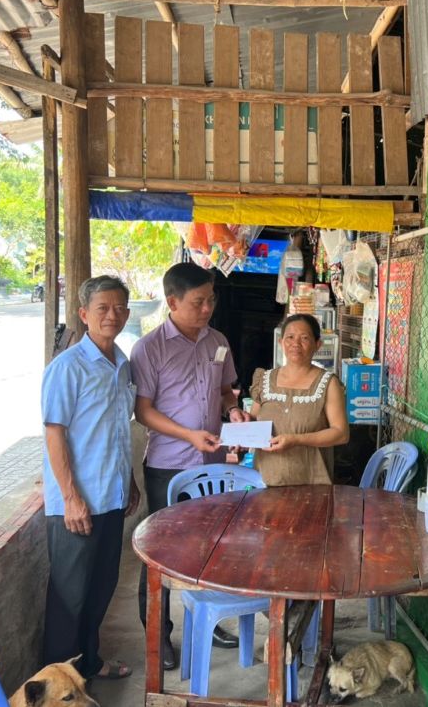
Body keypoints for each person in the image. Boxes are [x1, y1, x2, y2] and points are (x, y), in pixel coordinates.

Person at [130, 262, 251, 667]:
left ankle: (206, 617)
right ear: (172, 301)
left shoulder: (218, 340)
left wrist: (233, 411)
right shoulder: (149, 348)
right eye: (198, 302)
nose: (207, 309)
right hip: (169, 465)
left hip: (211, 461)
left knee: (209, 546)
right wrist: (188, 435)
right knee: (160, 551)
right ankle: (158, 636)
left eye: (210, 300)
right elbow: (144, 411)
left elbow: (225, 391)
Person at [41, 275, 140, 681]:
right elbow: (54, 433)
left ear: (128, 314)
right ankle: (57, 688)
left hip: (111, 498)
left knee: (100, 590)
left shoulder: (122, 364)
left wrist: (129, 480)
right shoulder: (67, 367)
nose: (111, 315)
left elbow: (116, 430)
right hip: (77, 503)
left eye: (118, 308)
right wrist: (70, 497)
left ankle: (89, 665)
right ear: (84, 314)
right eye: (102, 308)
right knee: (70, 600)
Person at [248, 314, 349, 486]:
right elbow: (253, 421)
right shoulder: (265, 379)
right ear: (281, 342)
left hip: (312, 483)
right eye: (290, 337)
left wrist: (296, 440)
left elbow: (341, 434)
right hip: (265, 480)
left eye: (304, 338)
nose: (296, 343)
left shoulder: (327, 383)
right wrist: (239, 432)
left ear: (317, 345)